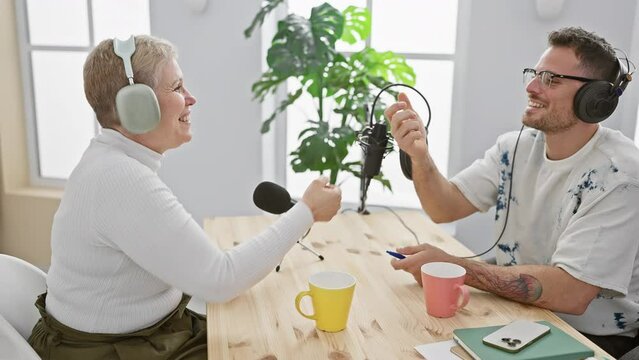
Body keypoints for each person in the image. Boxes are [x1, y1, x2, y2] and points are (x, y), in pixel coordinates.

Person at [27, 35, 342, 360]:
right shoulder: (120, 178)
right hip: (110, 351)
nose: (191, 99)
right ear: (137, 106)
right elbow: (220, 281)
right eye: (177, 88)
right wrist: (307, 211)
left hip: (146, 333)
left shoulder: (112, 162)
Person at [385, 27, 639, 358]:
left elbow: (572, 294)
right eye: (534, 75)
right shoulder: (515, 147)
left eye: (551, 79)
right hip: (522, 316)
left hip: (590, 338)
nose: (531, 87)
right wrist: (420, 156)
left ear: (594, 100)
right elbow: (443, 207)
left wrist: (457, 268)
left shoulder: (621, 176)